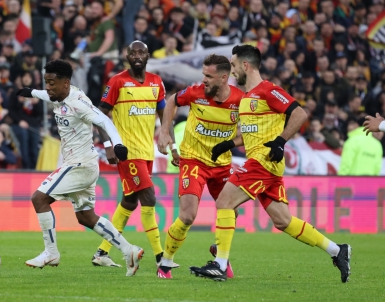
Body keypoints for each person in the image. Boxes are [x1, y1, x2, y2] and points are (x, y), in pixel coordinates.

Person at [189, 45, 351, 283]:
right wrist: (228, 145)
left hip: (263, 162)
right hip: (265, 165)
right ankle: (338, 250)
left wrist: (280, 141)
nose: (232, 71)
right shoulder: (246, 99)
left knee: (224, 201)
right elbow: (252, 132)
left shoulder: (269, 90)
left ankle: (220, 264)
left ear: (245, 65)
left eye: (233, 65)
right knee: (283, 221)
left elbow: (299, 114)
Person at [17, 60, 144, 276]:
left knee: (39, 198)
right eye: (46, 82)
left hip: (79, 165)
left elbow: (104, 121)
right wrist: (31, 92)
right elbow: (45, 94)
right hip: (83, 165)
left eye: (52, 83)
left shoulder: (78, 103)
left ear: (66, 83)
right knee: (86, 217)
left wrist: (117, 144)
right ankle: (129, 250)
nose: (48, 87)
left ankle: (51, 252)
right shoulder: (58, 94)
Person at [91, 40, 177, 269]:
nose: (137, 56)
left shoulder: (156, 82)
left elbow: (164, 114)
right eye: (133, 52)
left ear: (148, 56)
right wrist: (108, 144)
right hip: (126, 152)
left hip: (146, 151)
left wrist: (169, 141)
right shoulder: (117, 81)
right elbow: (100, 115)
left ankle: (101, 253)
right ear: (127, 56)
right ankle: (161, 257)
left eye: (141, 52)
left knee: (129, 202)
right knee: (149, 198)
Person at [156, 54, 243, 279]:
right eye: (203, 74)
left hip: (222, 165)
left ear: (224, 78)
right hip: (194, 161)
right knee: (187, 216)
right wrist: (165, 131)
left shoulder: (241, 101)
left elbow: (248, 133)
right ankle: (165, 263)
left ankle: (220, 256)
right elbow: (172, 100)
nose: (203, 80)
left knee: (231, 213)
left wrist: (234, 142)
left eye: (208, 76)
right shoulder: (196, 93)